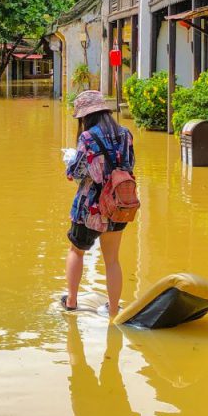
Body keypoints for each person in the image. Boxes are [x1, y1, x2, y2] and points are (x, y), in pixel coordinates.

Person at [63, 90, 135, 316]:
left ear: (86, 116)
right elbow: (130, 166)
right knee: (112, 260)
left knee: (76, 251)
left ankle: (71, 302)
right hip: (118, 205)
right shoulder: (125, 134)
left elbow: (76, 172)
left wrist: (69, 161)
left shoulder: (87, 138)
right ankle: (113, 309)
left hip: (89, 207)